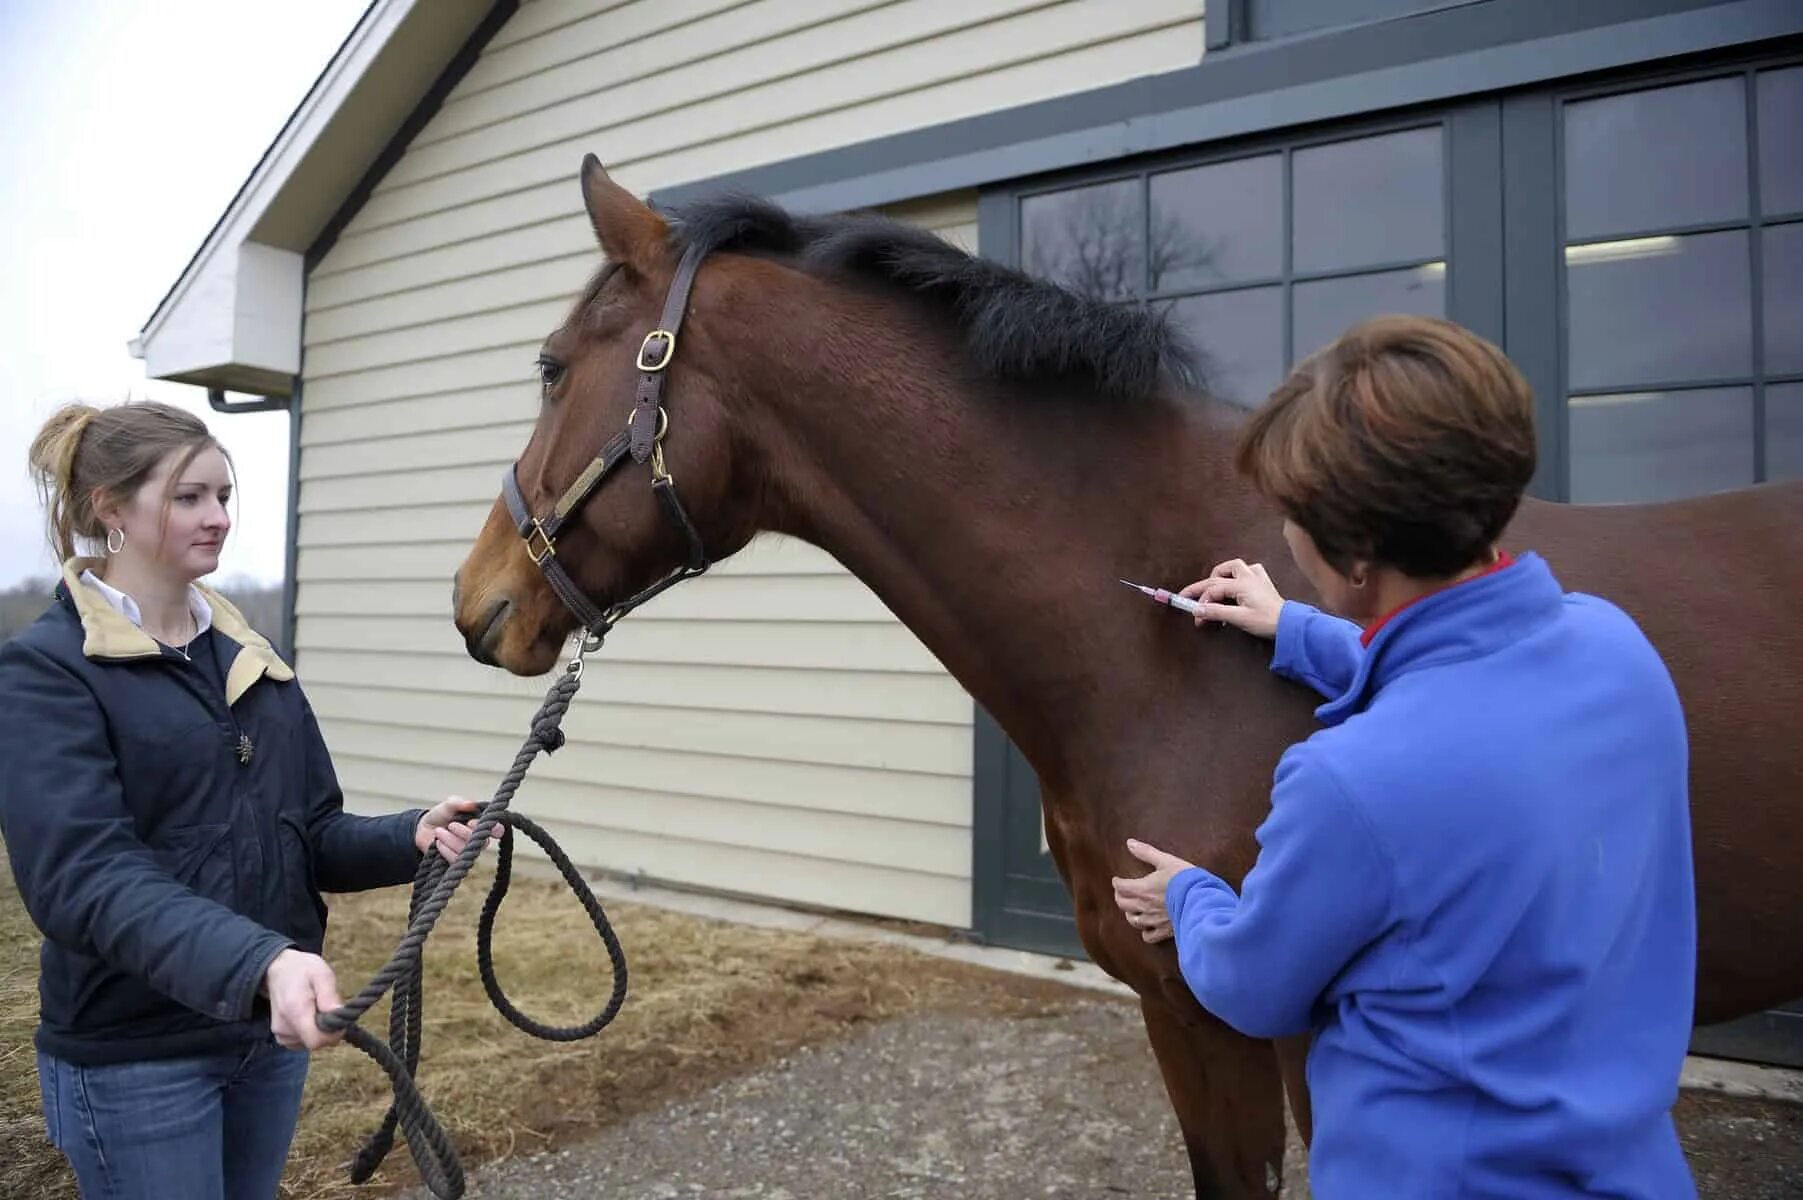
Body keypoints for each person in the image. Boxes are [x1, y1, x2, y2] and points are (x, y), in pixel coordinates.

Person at [1111, 316, 1698, 1197]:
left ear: (1350, 555)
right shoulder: (1614, 649)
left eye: (1289, 516)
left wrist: (1190, 897)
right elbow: (1478, 695)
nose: (1283, 534)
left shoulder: (1347, 781)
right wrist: (1301, 628)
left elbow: (1254, 986)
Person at [0, 400, 486, 1200]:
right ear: (110, 509)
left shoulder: (252, 661)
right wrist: (261, 960)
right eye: (190, 496)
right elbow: (83, 878)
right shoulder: (50, 670)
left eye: (225, 495)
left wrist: (411, 837)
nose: (219, 517)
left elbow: (312, 832)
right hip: (136, 1055)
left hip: (262, 1037)